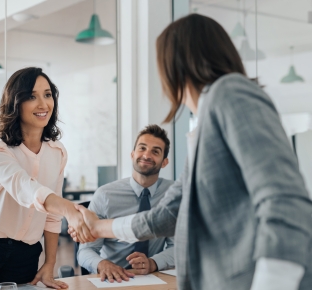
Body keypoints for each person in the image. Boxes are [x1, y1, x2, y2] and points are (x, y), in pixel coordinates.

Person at [70, 14, 312, 290]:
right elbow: (167, 215)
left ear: (175, 64)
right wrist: (98, 227)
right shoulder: (202, 129)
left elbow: (284, 199)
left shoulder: (230, 92)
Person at [0, 67, 93, 290]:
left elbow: (51, 215)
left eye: (47, 95)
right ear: (15, 103)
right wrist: (69, 210)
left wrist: (50, 262)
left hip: (25, 253)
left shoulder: (57, 152)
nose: (43, 104)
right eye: (31, 96)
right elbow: (25, 188)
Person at [77, 125, 176, 282]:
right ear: (132, 154)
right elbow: (86, 250)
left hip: (153, 277)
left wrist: (153, 263)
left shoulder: (173, 194)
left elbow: (178, 247)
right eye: (142, 148)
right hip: (112, 280)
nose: (146, 155)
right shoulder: (105, 195)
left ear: (164, 162)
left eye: (155, 151)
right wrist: (103, 264)